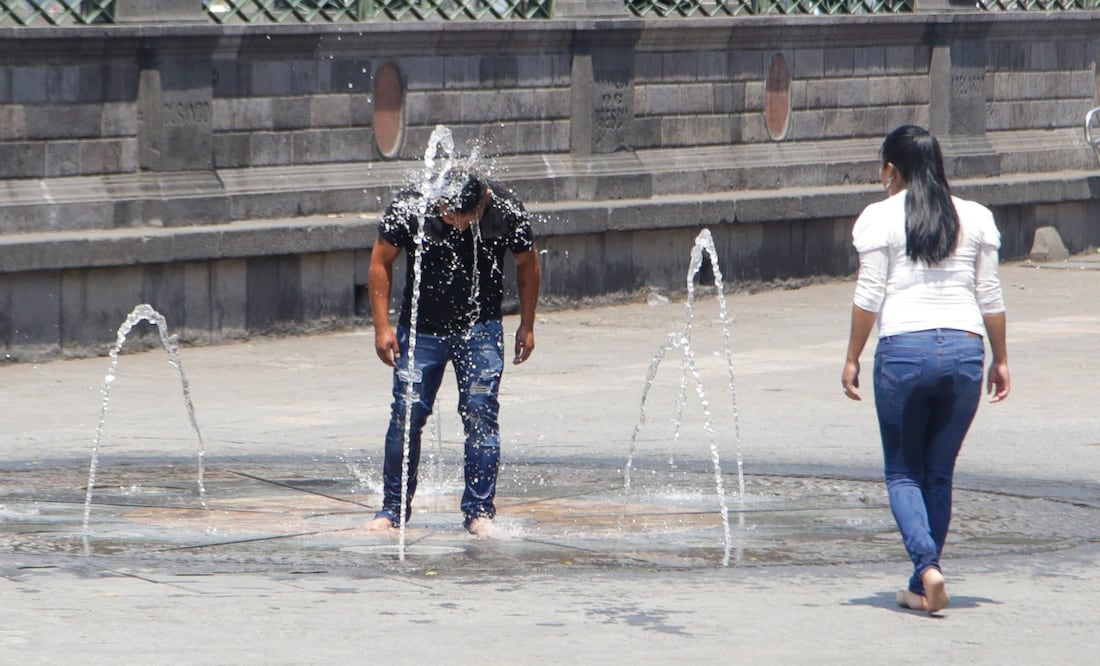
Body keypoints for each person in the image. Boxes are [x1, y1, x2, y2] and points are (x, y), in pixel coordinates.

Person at [841, 125, 1010, 615]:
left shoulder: (879, 217)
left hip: (903, 352)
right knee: (937, 474)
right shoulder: (977, 217)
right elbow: (991, 297)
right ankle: (922, 584)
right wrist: (1000, 358)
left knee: (901, 472)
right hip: (964, 350)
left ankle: (928, 568)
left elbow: (869, 295)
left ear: (891, 170)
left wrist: (853, 355)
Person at [364, 168, 541, 536]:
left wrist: (527, 323)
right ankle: (392, 510)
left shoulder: (506, 210)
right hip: (421, 331)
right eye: (448, 215)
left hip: (481, 329)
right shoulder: (412, 206)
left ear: (483, 204)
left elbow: (528, 264)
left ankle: (479, 512)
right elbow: (381, 261)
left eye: (465, 218)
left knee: (480, 416)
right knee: (406, 414)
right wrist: (382, 326)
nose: (457, 224)